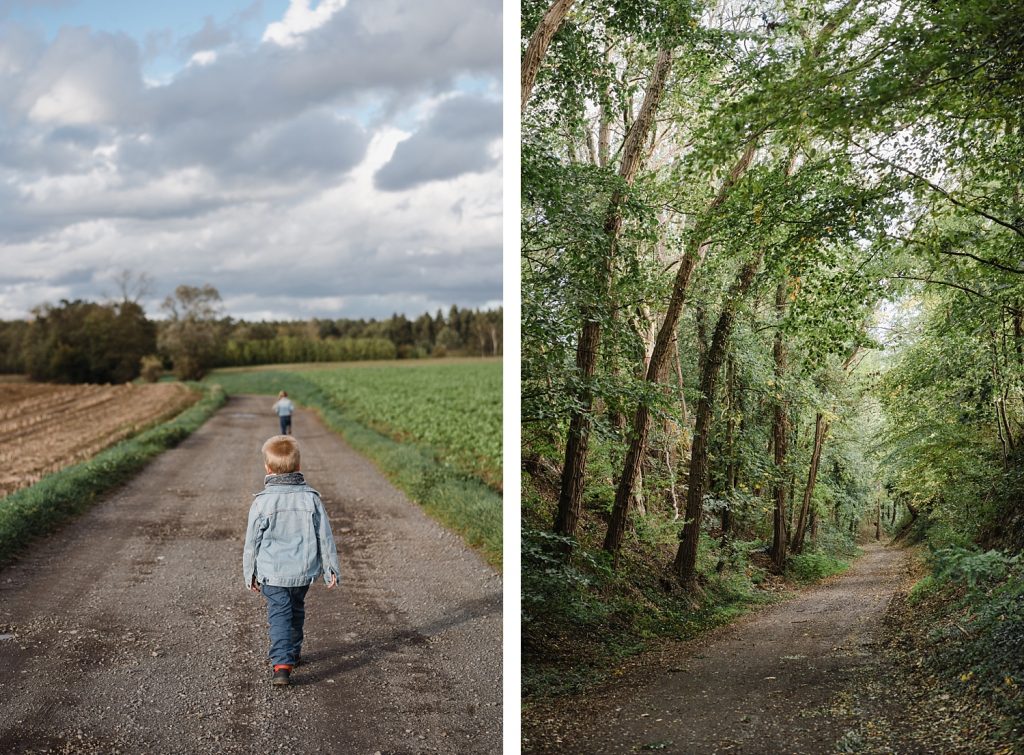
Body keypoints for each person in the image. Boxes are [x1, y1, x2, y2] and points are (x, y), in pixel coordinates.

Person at [242, 435, 340, 686]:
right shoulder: (311, 499)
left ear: (268, 468)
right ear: (298, 467)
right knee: (295, 611)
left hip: (272, 573)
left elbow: (252, 543)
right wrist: (330, 568)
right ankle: (293, 653)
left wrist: (249, 573)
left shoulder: (263, 501)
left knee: (280, 614)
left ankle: (282, 663)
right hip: (303, 571)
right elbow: (325, 536)